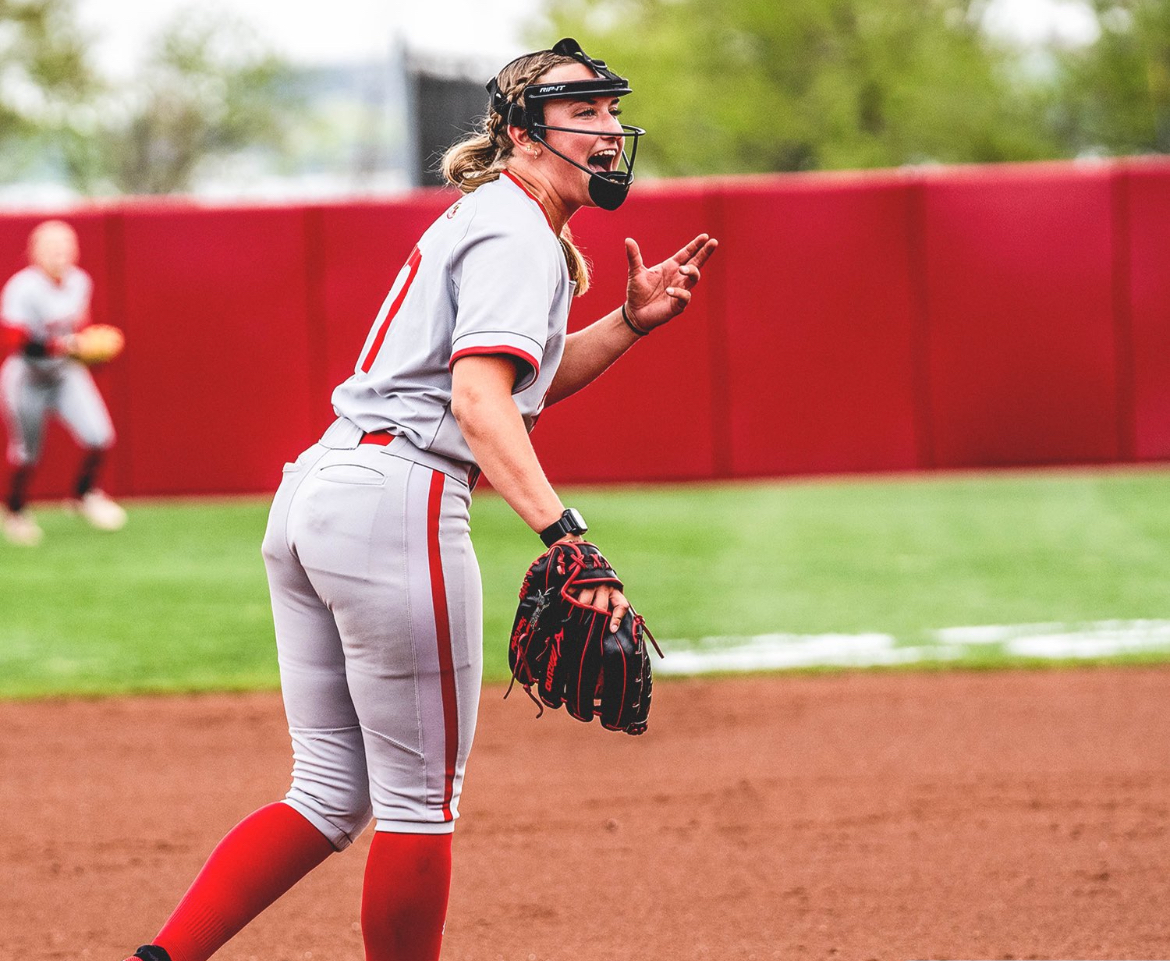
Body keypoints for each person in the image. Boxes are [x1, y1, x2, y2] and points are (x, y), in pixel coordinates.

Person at [121, 38, 717, 961]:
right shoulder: (518, 230)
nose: (609, 130)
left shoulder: (498, 220)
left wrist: (628, 323)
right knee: (416, 800)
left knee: (327, 791)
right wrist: (568, 536)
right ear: (524, 133)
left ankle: (160, 956)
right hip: (398, 501)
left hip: (321, 489)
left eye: (610, 111)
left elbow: (517, 384)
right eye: (585, 112)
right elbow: (480, 406)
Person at [0, 219, 127, 546]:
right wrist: (64, 346)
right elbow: (14, 340)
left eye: (66, 246)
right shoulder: (22, 287)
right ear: (34, 252)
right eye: (52, 247)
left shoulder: (79, 282)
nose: (60, 253)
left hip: (64, 374)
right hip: (27, 377)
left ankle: (83, 495)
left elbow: (79, 328)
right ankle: (15, 511)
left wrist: (89, 352)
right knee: (27, 454)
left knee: (100, 437)